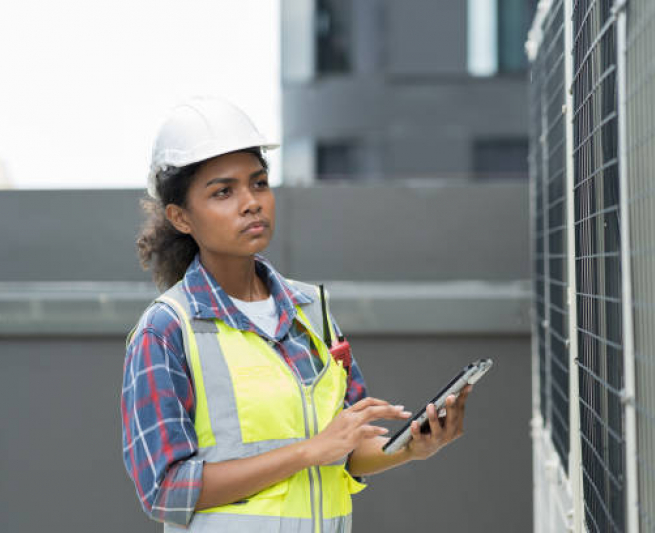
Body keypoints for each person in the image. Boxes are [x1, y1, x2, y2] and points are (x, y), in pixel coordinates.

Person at [121, 96, 471, 532]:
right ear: (181, 217)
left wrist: (412, 448)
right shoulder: (167, 330)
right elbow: (166, 490)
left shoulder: (312, 311)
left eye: (259, 183)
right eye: (223, 192)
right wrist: (309, 450)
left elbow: (346, 449)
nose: (251, 202)